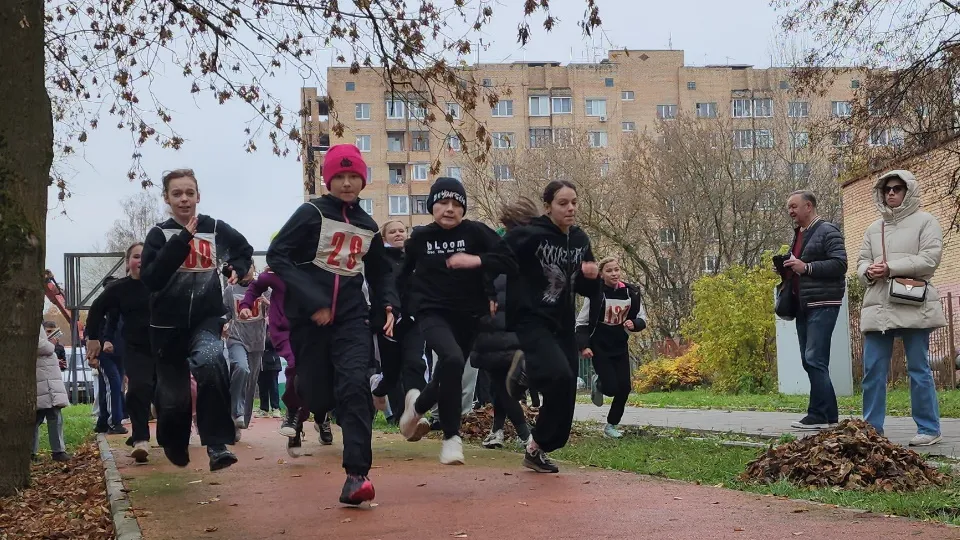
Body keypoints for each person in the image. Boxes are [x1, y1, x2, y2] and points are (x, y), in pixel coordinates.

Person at [267, 144, 397, 505]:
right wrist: (313, 300)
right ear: (327, 179)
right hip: (309, 321)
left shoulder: (368, 225)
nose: (346, 182)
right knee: (319, 394)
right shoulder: (310, 214)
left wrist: (388, 304)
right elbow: (278, 254)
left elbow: (382, 272)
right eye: (338, 176)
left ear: (363, 179)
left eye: (353, 175)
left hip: (352, 319)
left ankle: (357, 476)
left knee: (355, 386)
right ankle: (310, 407)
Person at [140, 168, 254, 471]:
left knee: (213, 360)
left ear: (198, 196)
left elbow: (243, 251)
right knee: (174, 397)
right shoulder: (159, 235)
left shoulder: (215, 228)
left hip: (206, 319)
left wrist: (236, 268)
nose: (184, 199)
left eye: (190, 192)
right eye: (177, 193)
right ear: (166, 198)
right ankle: (173, 441)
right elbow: (151, 279)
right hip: (166, 327)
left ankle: (217, 443)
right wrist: (181, 241)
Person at [395, 177, 515, 465]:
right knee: (449, 359)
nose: (449, 209)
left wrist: (476, 262)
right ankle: (451, 436)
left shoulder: (476, 232)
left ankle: (417, 407)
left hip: (469, 316)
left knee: (448, 372)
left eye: (456, 204)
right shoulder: (421, 237)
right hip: (432, 313)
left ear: (463, 208)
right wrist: (402, 308)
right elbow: (401, 276)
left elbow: (510, 261)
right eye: (442, 202)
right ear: (432, 206)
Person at [501, 180, 601, 473]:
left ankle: (537, 448)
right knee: (557, 374)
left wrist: (591, 276)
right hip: (531, 318)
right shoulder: (531, 235)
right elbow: (497, 256)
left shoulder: (580, 239)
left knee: (568, 384)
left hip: (562, 323)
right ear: (547, 206)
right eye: (562, 203)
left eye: (574, 202)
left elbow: (584, 286)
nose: (570, 208)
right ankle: (526, 370)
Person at [857, 170, 946, 446]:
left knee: (918, 368)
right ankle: (872, 429)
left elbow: (930, 259)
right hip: (878, 304)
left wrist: (891, 267)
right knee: (872, 369)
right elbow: (860, 263)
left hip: (912, 300)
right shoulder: (874, 228)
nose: (891, 193)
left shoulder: (926, 221)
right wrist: (869, 272)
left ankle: (929, 428)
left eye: (897, 188)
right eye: (887, 189)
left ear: (909, 191)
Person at [474, 198, 540, 449]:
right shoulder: (534, 248)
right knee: (502, 383)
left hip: (492, 323)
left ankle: (524, 436)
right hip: (514, 323)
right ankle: (499, 431)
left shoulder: (495, 246)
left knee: (501, 384)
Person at [780, 190, 847, 430]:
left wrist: (805, 267)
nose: (790, 211)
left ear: (808, 206)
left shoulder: (827, 231)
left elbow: (840, 264)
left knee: (814, 358)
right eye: (789, 207)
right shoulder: (799, 234)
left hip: (822, 304)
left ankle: (818, 414)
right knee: (810, 361)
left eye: (794, 206)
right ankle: (829, 417)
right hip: (802, 305)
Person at [577, 256, 647, 439]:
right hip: (599, 345)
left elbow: (641, 318)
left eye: (616, 269)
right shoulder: (596, 294)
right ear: (601, 274)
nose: (614, 274)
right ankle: (598, 381)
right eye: (609, 271)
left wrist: (635, 323)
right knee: (610, 389)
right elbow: (582, 322)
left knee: (624, 387)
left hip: (620, 344)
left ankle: (611, 426)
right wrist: (584, 346)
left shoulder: (631, 292)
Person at [367, 220, 429, 423]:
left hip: (413, 321)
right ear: (384, 238)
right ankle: (379, 389)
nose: (398, 234)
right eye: (392, 232)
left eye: (402, 230)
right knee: (392, 373)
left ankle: (412, 415)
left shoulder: (415, 258)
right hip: (387, 321)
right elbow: (378, 288)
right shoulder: (378, 260)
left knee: (415, 363)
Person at [223, 264, 268, 436]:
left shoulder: (264, 288)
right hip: (236, 338)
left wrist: (268, 304)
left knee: (250, 381)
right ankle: (236, 413)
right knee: (241, 368)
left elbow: (277, 309)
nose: (245, 269)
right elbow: (225, 312)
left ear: (253, 268)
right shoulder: (230, 290)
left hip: (257, 341)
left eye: (248, 265)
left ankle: (239, 422)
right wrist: (221, 324)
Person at [35, 325, 71, 462]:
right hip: (45, 380)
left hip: (46, 379)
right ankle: (58, 451)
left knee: (44, 417)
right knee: (52, 417)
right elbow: (40, 345)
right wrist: (51, 345)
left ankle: (35, 451)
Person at [258, 332, 283, 418]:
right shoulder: (256, 327)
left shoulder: (272, 327)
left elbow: (275, 342)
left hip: (272, 362)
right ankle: (264, 409)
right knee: (262, 387)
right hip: (260, 362)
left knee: (273, 386)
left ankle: (276, 408)